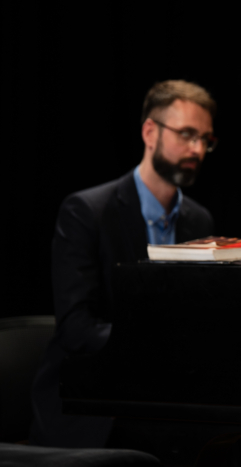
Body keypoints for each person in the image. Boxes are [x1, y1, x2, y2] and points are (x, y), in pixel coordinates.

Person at [30, 80, 218, 448]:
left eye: (206, 140)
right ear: (150, 132)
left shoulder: (200, 221)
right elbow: (76, 327)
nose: (197, 149)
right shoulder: (86, 212)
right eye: (186, 134)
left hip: (164, 396)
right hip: (94, 401)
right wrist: (160, 347)